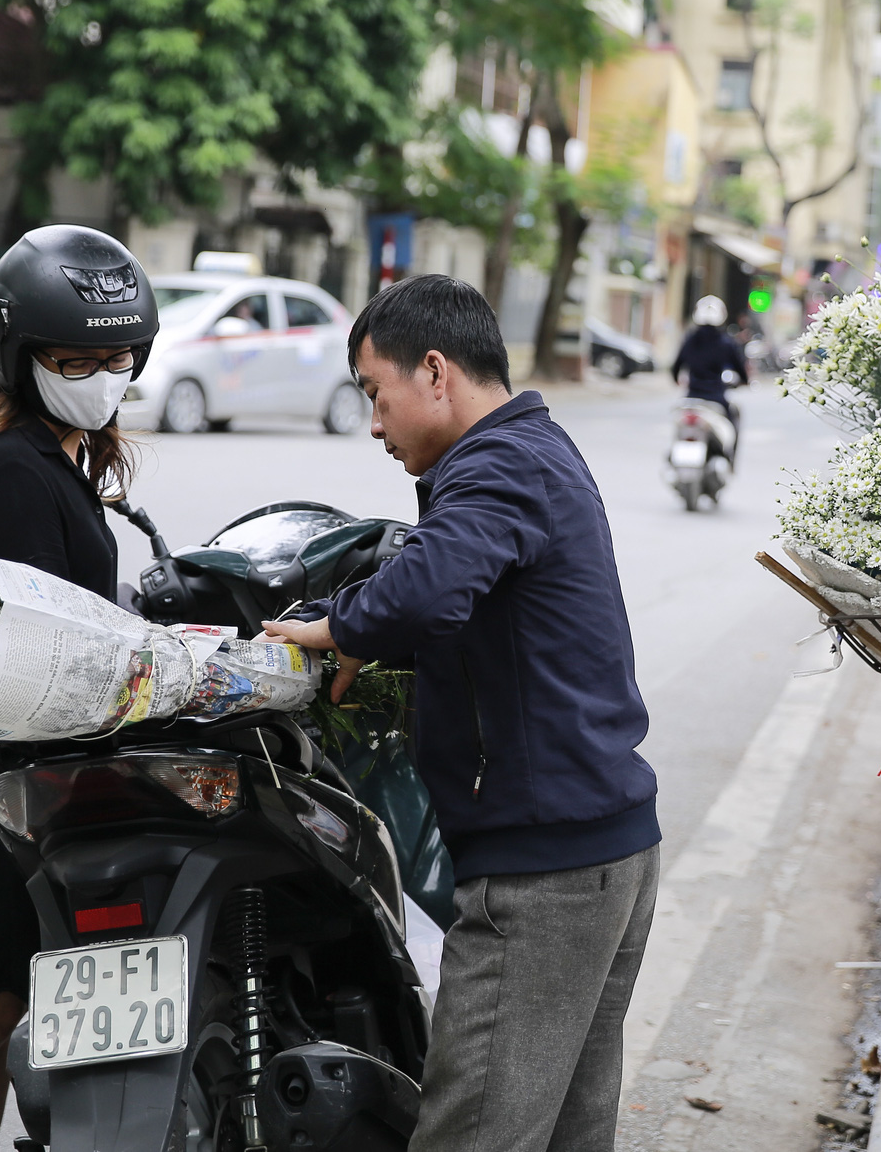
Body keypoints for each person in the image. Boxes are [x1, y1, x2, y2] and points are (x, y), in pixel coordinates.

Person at [259, 274, 659, 1152]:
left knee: (471, 1133)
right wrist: (377, 630)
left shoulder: (498, 462)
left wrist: (337, 625)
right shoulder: (531, 451)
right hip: (604, 849)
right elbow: (472, 600)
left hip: (546, 872)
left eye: (375, 392)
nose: (372, 423)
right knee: (566, 1133)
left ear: (434, 371)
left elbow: (432, 585)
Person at [0, 225, 158, 1152]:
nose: (99, 374)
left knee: (3, 1007)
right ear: (24, 356)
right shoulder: (14, 467)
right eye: (74, 358)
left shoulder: (55, 450)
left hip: (19, 764)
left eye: (115, 357)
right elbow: (42, 636)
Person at [671, 293, 748, 423]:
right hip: (716, 398)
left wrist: (677, 380)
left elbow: (676, 367)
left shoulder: (690, 339)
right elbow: (739, 367)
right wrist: (745, 380)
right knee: (731, 419)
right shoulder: (726, 342)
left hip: (692, 396)